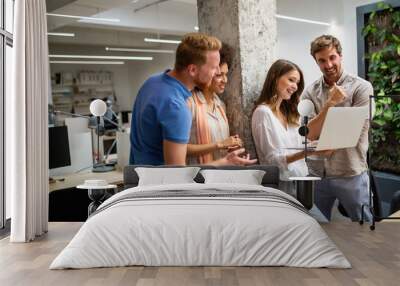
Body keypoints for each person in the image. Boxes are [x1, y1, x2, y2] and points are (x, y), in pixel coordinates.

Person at [129, 33, 256, 166]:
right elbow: (178, 174)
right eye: (214, 68)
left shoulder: (152, 82)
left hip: (139, 181)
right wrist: (224, 162)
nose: (216, 72)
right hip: (158, 184)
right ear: (193, 70)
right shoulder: (177, 106)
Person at [301, 35, 374, 221]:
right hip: (317, 174)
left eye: (332, 57)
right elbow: (308, 134)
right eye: (322, 60)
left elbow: (353, 132)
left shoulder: (362, 88)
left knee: (364, 226)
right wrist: (331, 104)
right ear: (316, 62)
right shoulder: (310, 91)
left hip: (350, 171)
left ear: (340, 55)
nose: (328, 65)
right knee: (317, 228)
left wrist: (321, 130)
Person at [252, 59, 331, 196]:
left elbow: (298, 146)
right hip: (279, 187)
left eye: (297, 83)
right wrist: (308, 151)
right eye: (291, 80)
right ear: (274, 76)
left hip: (300, 182)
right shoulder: (263, 113)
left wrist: (316, 146)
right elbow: (271, 161)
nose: (295, 87)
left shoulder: (290, 114)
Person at [187, 44, 243, 164]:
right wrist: (220, 144)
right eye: (219, 75)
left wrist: (231, 146)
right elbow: (180, 148)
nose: (225, 80)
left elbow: (222, 146)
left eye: (225, 74)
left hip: (220, 174)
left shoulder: (220, 105)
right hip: (198, 177)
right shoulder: (188, 103)